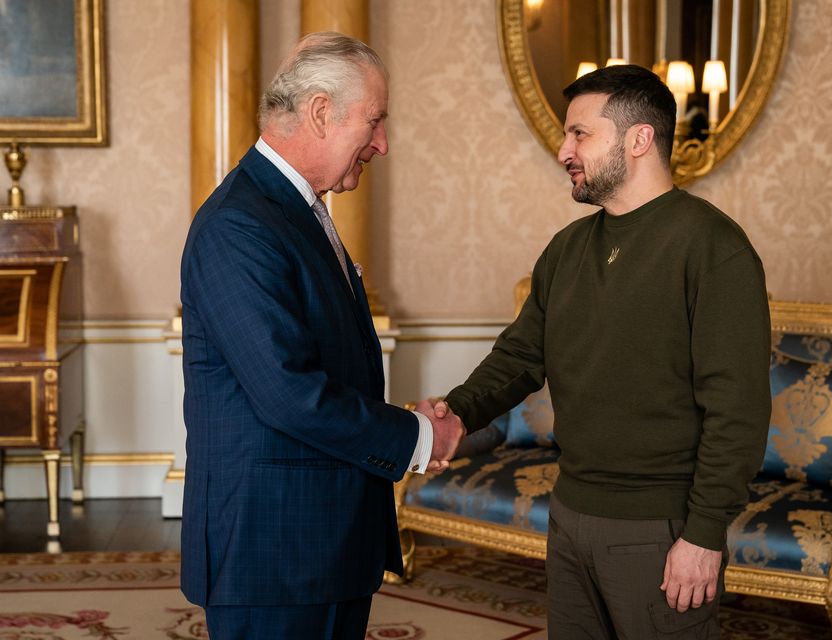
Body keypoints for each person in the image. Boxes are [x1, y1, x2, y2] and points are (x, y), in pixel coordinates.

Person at [425, 64, 771, 639]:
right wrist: (456, 414)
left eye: (580, 134)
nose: (563, 150)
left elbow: (737, 410)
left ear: (639, 139)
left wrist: (705, 534)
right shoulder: (567, 248)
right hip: (569, 515)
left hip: (661, 527)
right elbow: (519, 357)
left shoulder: (713, 247)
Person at [179, 32, 464, 639]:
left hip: (321, 545)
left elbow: (332, 367)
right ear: (320, 111)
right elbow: (288, 393)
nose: (383, 143)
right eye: (376, 120)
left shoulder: (295, 209)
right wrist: (415, 435)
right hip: (272, 555)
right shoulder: (239, 224)